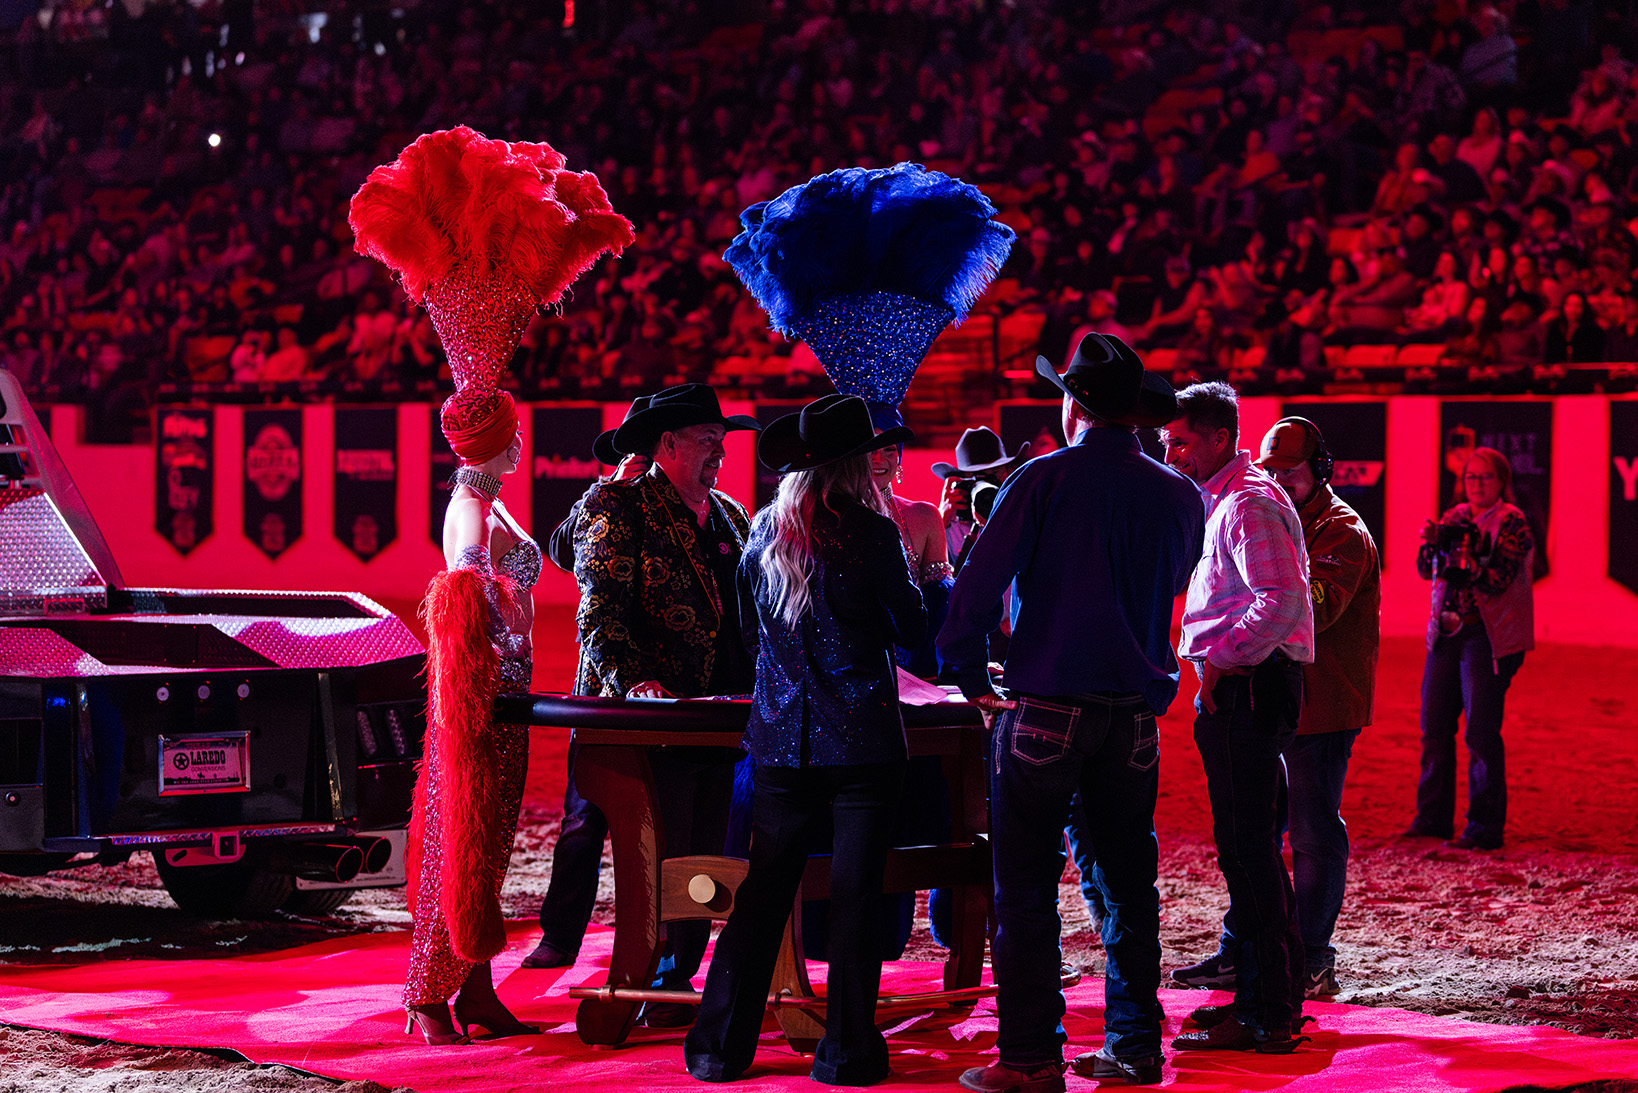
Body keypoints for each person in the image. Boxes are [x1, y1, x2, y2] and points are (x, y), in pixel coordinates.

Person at [347, 124, 632, 1047]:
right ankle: (430, 989)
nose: (519, 444)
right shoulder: (470, 514)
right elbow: (466, 594)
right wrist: (507, 607)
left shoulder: (492, 509)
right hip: (472, 707)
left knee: (489, 840)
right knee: (453, 844)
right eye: (510, 435)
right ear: (492, 440)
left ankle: (470, 985)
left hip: (503, 700)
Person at [942, 334, 1203, 1093]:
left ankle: (1030, 1055)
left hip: (1047, 706)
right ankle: (1134, 1044)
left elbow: (975, 593)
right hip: (1131, 715)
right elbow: (1172, 582)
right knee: (1128, 885)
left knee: (1023, 887)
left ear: (1074, 404)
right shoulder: (1179, 494)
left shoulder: (1041, 479)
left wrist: (968, 674)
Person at [683, 394, 925, 1086]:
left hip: (782, 740)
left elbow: (746, 634)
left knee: (763, 894)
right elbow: (914, 633)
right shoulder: (872, 535)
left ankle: (719, 1046)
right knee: (853, 896)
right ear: (856, 465)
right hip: (863, 744)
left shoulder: (763, 531)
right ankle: (846, 1053)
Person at [526, 384, 760, 1031]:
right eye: (708, 440)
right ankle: (639, 963)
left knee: (703, 849)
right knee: (632, 842)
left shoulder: (735, 517)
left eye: (722, 440)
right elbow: (598, 615)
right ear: (668, 446)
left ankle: (677, 972)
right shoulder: (617, 504)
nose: (719, 452)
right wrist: (636, 683)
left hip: (718, 724)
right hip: (641, 724)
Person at [1173, 419, 1381, 1001]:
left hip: (1324, 703)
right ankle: (1246, 950)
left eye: (1290, 470)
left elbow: (1318, 606)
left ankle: (1314, 956)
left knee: (1310, 831)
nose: (1280, 480)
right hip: (1279, 694)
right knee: (1258, 833)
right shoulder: (1270, 511)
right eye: (1273, 470)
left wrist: (1265, 583)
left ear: (1321, 469)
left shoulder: (1343, 531)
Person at [1161, 382, 1315, 1054]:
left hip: (1248, 689)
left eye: (1182, 441)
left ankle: (1265, 1011)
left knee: (1247, 852)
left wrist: (1219, 662)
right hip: (1251, 688)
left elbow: (1280, 600)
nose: (1172, 453)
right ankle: (1269, 1001)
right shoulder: (1232, 498)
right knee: (1252, 851)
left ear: (1219, 437)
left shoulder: (1247, 502)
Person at [1406, 447, 1534, 851]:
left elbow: (1498, 578)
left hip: (1488, 637)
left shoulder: (1513, 521)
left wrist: (1463, 554)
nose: (1477, 485)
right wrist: (1435, 543)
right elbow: (1425, 569)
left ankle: (1484, 827)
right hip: (1447, 633)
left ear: (1501, 483)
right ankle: (1432, 819)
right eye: (1470, 478)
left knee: (1480, 732)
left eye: (1485, 478)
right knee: (1433, 728)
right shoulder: (1455, 516)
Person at [933, 427, 1031, 564]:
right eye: (976, 477)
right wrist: (940, 522)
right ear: (961, 482)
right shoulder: (951, 526)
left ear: (1008, 473)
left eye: (993, 474)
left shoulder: (1024, 514)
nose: (985, 486)